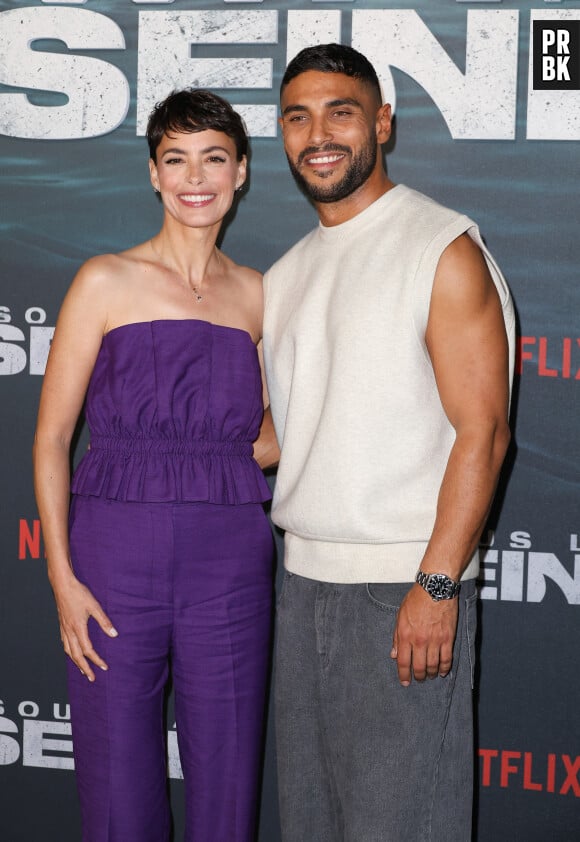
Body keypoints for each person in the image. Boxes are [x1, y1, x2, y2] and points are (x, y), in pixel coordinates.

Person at [262, 44, 515, 842]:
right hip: (299, 588)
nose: (319, 134)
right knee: (312, 825)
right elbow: (280, 440)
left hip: (401, 591)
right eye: (298, 117)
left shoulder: (441, 249)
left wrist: (436, 588)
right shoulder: (285, 271)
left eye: (341, 111)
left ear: (382, 123)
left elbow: (485, 431)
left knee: (400, 827)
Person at [33, 89, 278, 842]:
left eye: (213, 157)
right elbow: (51, 439)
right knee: (116, 787)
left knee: (229, 779)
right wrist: (62, 579)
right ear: (153, 174)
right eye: (176, 158)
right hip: (114, 558)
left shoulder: (260, 294)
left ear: (240, 172)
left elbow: (268, 440)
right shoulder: (104, 280)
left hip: (231, 558)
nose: (194, 176)